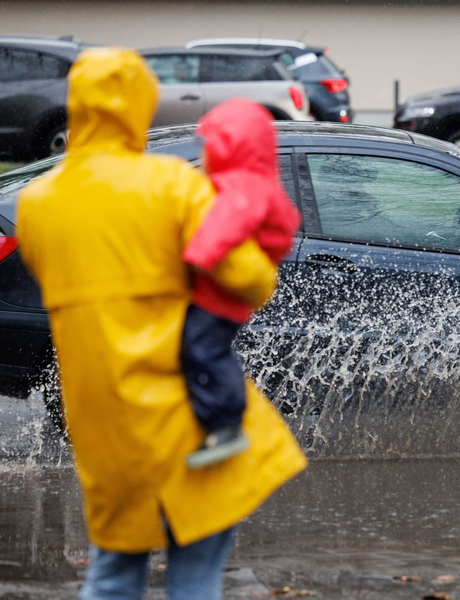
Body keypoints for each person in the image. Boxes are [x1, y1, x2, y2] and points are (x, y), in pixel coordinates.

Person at [16, 47, 306, 600]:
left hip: (101, 417)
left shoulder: (37, 202)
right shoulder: (170, 185)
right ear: (140, 104)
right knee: (195, 573)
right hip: (182, 413)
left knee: (114, 573)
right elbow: (248, 279)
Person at [180, 98, 301, 469]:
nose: (205, 152)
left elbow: (227, 224)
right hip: (226, 292)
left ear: (230, 143)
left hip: (220, 294)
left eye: (210, 143)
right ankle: (217, 422)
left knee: (203, 350)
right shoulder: (253, 179)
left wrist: (198, 254)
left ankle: (227, 423)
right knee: (202, 349)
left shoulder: (242, 183)